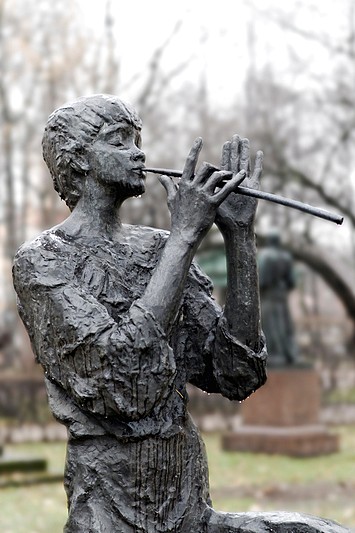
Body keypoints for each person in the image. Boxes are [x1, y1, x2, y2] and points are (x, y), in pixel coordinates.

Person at [12, 95, 349, 533]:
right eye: (119, 141)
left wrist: (239, 237)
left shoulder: (157, 249)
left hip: (188, 498)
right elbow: (122, 383)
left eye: (137, 140)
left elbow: (236, 373)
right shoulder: (44, 260)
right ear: (77, 160)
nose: (139, 152)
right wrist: (185, 235)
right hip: (110, 507)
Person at [258, 228, 298, 366]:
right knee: (284, 325)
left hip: (269, 296)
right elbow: (291, 282)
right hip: (281, 296)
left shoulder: (265, 256)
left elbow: (261, 280)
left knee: (270, 325)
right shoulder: (286, 257)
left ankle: (275, 355)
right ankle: (289, 354)